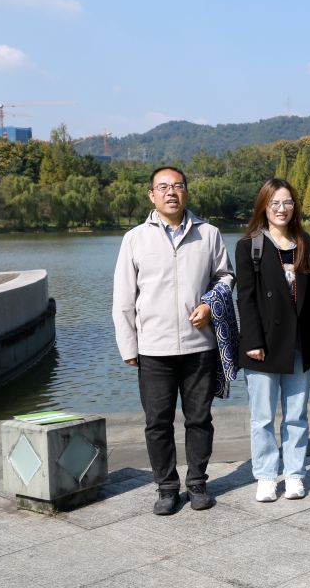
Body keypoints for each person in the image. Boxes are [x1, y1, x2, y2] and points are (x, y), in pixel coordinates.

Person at [112, 166, 235, 515]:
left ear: (186, 192)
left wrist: (210, 305)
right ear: (151, 195)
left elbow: (226, 277)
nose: (171, 192)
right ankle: (166, 487)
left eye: (177, 186)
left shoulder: (208, 234)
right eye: (163, 187)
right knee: (157, 423)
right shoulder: (135, 238)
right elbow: (123, 298)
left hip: (200, 346)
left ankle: (197, 483)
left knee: (199, 419)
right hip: (154, 348)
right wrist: (129, 346)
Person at [236, 179, 310, 503]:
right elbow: (245, 299)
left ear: (295, 207)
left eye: (287, 202)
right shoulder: (250, 246)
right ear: (264, 207)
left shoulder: (305, 243)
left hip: (299, 343)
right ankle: (267, 476)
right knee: (263, 417)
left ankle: (295, 474)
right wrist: (252, 340)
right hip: (263, 344)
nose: (281, 209)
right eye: (274, 203)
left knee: (297, 415)